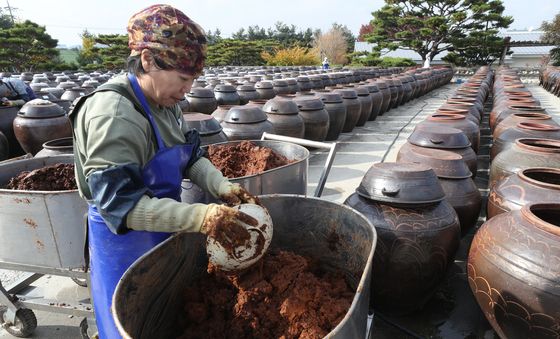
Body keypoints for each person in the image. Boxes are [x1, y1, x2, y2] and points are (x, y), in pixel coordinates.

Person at [69, 5, 258, 338]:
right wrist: (203, 218)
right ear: (147, 60)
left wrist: (221, 185)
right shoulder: (113, 114)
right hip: (124, 245)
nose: (187, 89)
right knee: (129, 325)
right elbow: (122, 206)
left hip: (165, 232)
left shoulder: (165, 103)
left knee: (169, 319)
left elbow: (188, 156)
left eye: (193, 80)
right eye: (183, 79)